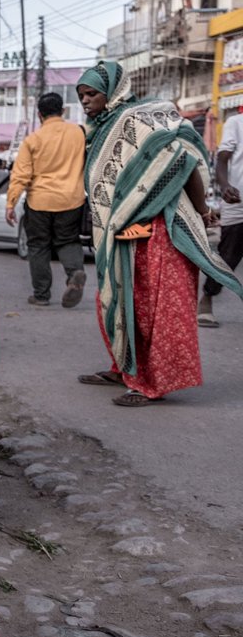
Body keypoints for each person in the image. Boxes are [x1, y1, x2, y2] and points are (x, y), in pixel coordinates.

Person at [75, 61, 243, 407]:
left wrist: (200, 210)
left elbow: (182, 162)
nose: (86, 100)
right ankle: (124, 367)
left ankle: (151, 383)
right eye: (81, 95)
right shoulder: (100, 128)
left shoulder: (140, 119)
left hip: (161, 232)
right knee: (118, 297)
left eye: (91, 93)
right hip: (124, 231)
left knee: (155, 308)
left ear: (113, 90)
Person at [4, 92, 88, 308]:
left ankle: (41, 295)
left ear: (40, 115)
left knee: (38, 247)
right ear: (63, 111)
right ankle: (74, 273)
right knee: (68, 240)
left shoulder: (33, 140)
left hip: (39, 201)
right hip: (72, 199)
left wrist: (11, 203)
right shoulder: (79, 133)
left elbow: (20, 175)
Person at [197, 108, 243, 328]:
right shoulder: (236, 122)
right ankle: (207, 297)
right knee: (229, 255)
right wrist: (224, 186)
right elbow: (223, 157)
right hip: (238, 200)